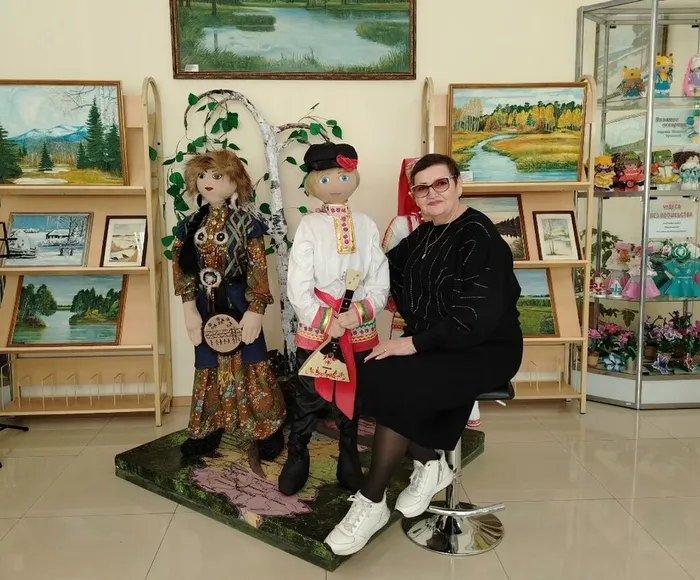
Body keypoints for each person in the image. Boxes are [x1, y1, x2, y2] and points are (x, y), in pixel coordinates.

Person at [324, 153, 523, 556]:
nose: (432, 193)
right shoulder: (426, 234)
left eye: (441, 184)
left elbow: (476, 316)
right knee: (369, 371)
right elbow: (384, 268)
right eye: (422, 188)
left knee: (399, 384)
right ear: (414, 195)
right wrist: (336, 276)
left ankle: (372, 501)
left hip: (484, 347)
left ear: (458, 185)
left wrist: (409, 344)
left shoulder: (479, 235)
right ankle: (431, 462)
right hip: (438, 342)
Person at [280, 142, 389, 496]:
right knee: (308, 397)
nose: (336, 184)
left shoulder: (366, 224)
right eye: (326, 178)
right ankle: (298, 455)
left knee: (354, 400)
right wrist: (327, 319)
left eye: (343, 176)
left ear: (353, 178)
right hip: (319, 329)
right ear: (314, 183)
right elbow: (298, 283)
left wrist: (359, 311)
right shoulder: (309, 225)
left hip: (358, 329)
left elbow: (379, 276)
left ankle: (348, 457)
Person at [171, 150, 286, 462]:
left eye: (217, 175)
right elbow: (182, 269)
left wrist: (256, 309)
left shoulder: (248, 224)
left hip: (239, 301)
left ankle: (266, 428)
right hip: (204, 304)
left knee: (252, 360)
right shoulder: (189, 225)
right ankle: (209, 427)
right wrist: (188, 309)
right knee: (208, 363)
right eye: (202, 176)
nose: (208, 181)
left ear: (235, 182)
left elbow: (258, 268)